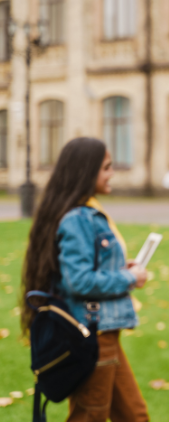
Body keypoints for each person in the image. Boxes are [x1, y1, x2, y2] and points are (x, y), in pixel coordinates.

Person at [21, 137, 149, 422]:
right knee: (89, 416)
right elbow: (78, 281)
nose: (112, 173)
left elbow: (87, 267)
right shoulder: (78, 217)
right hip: (92, 335)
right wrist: (128, 277)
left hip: (106, 334)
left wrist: (120, 267)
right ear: (87, 171)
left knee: (134, 416)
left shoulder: (84, 213)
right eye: (106, 167)